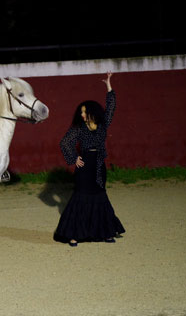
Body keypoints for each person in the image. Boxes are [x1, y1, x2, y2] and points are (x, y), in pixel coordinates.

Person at [54, 72, 125, 247]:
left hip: (99, 166)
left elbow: (111, 107)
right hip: (84, 167)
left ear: (92, 112)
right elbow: (64, 143)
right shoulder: (79, 128)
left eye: (85, 112)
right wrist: (74, 158)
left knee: (100, 197)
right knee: (81, 198)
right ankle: (74, 235)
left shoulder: (102, 125)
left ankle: (106, 232)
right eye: (81, 112)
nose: (82, 115)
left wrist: (109, 86)